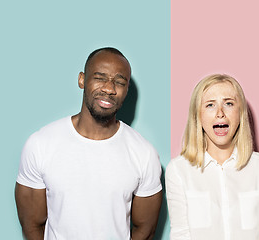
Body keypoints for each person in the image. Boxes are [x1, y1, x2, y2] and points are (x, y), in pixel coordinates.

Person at [15, 47, 163, 240]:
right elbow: (31, 223)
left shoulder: (144, 154)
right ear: (82, 80)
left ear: (126, 91)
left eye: (119, 82)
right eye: (100, 78)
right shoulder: (41, 144)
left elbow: (145, 230)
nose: (109, 89)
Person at [166, 74, 259, 240]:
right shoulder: (178, 170)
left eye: (228, 103)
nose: (220, 113)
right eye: (210, 105)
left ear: (240, 112)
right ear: (197, 115)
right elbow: (181, 235)